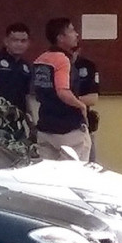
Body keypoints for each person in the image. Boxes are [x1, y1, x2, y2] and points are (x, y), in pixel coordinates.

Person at [32, 18, 90, 161]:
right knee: (73, 171)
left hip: (45, 126)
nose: (76, 34)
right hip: (68, 129)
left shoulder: (40, 59)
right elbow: (62, 91)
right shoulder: (62, 59)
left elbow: (37, 91)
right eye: (71, 30)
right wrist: (81, 106)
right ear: (60, 38)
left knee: (48, 171)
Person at [71, 45, 100, 163]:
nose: (70, 54)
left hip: (83, 125)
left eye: (73, 51)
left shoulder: (87, 66)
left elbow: (93, 99)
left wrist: (67, 99)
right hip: (57, 127)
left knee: (89, 165)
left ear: (78, 50)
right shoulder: (52, 65)